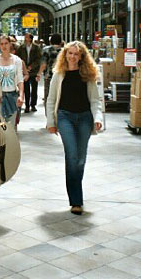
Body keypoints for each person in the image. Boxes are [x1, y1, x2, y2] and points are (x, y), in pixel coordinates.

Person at [46, 41, 103, 215]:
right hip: (65, 117)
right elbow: (51, 99)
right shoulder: (59, 74)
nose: (72, 57)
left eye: (76, 54)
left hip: (85, 118)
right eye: (69, 53)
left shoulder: (88, 74)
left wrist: (97, 118)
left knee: (80, 160)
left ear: (82, 56)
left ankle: (76, 194)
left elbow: (95, 100)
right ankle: (76, 201)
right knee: (72, 157)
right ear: (65, 54)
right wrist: (51, 122)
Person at [0, 35, 24, 125]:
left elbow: (20, 79)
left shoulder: (17, 60)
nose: (4, 46)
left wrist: (21, 95)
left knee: (12, 125)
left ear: (10, 44)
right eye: (1, 44)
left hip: (12, 95)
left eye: (6, 43)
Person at [17, 33, 41, 113]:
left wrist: (31, 67)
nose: (25, 38)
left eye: (27, 37)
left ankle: (33, 105)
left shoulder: (36, 48)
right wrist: (24, 67)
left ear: (30, 39)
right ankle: (27, 105)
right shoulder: (21, 48)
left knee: (34, 89)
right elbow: (18, 57)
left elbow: (38, 59)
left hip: (33, 71)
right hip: (24, 71)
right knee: (26, 89)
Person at [38, 33, 63, 111]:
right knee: (60, 97)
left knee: (49, 98)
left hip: (49, 77)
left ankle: (49, 117)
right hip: (62, 77)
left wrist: (39, 74)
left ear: (51, 41)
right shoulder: (64, 51)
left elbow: (43, 64)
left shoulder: (46, 50)